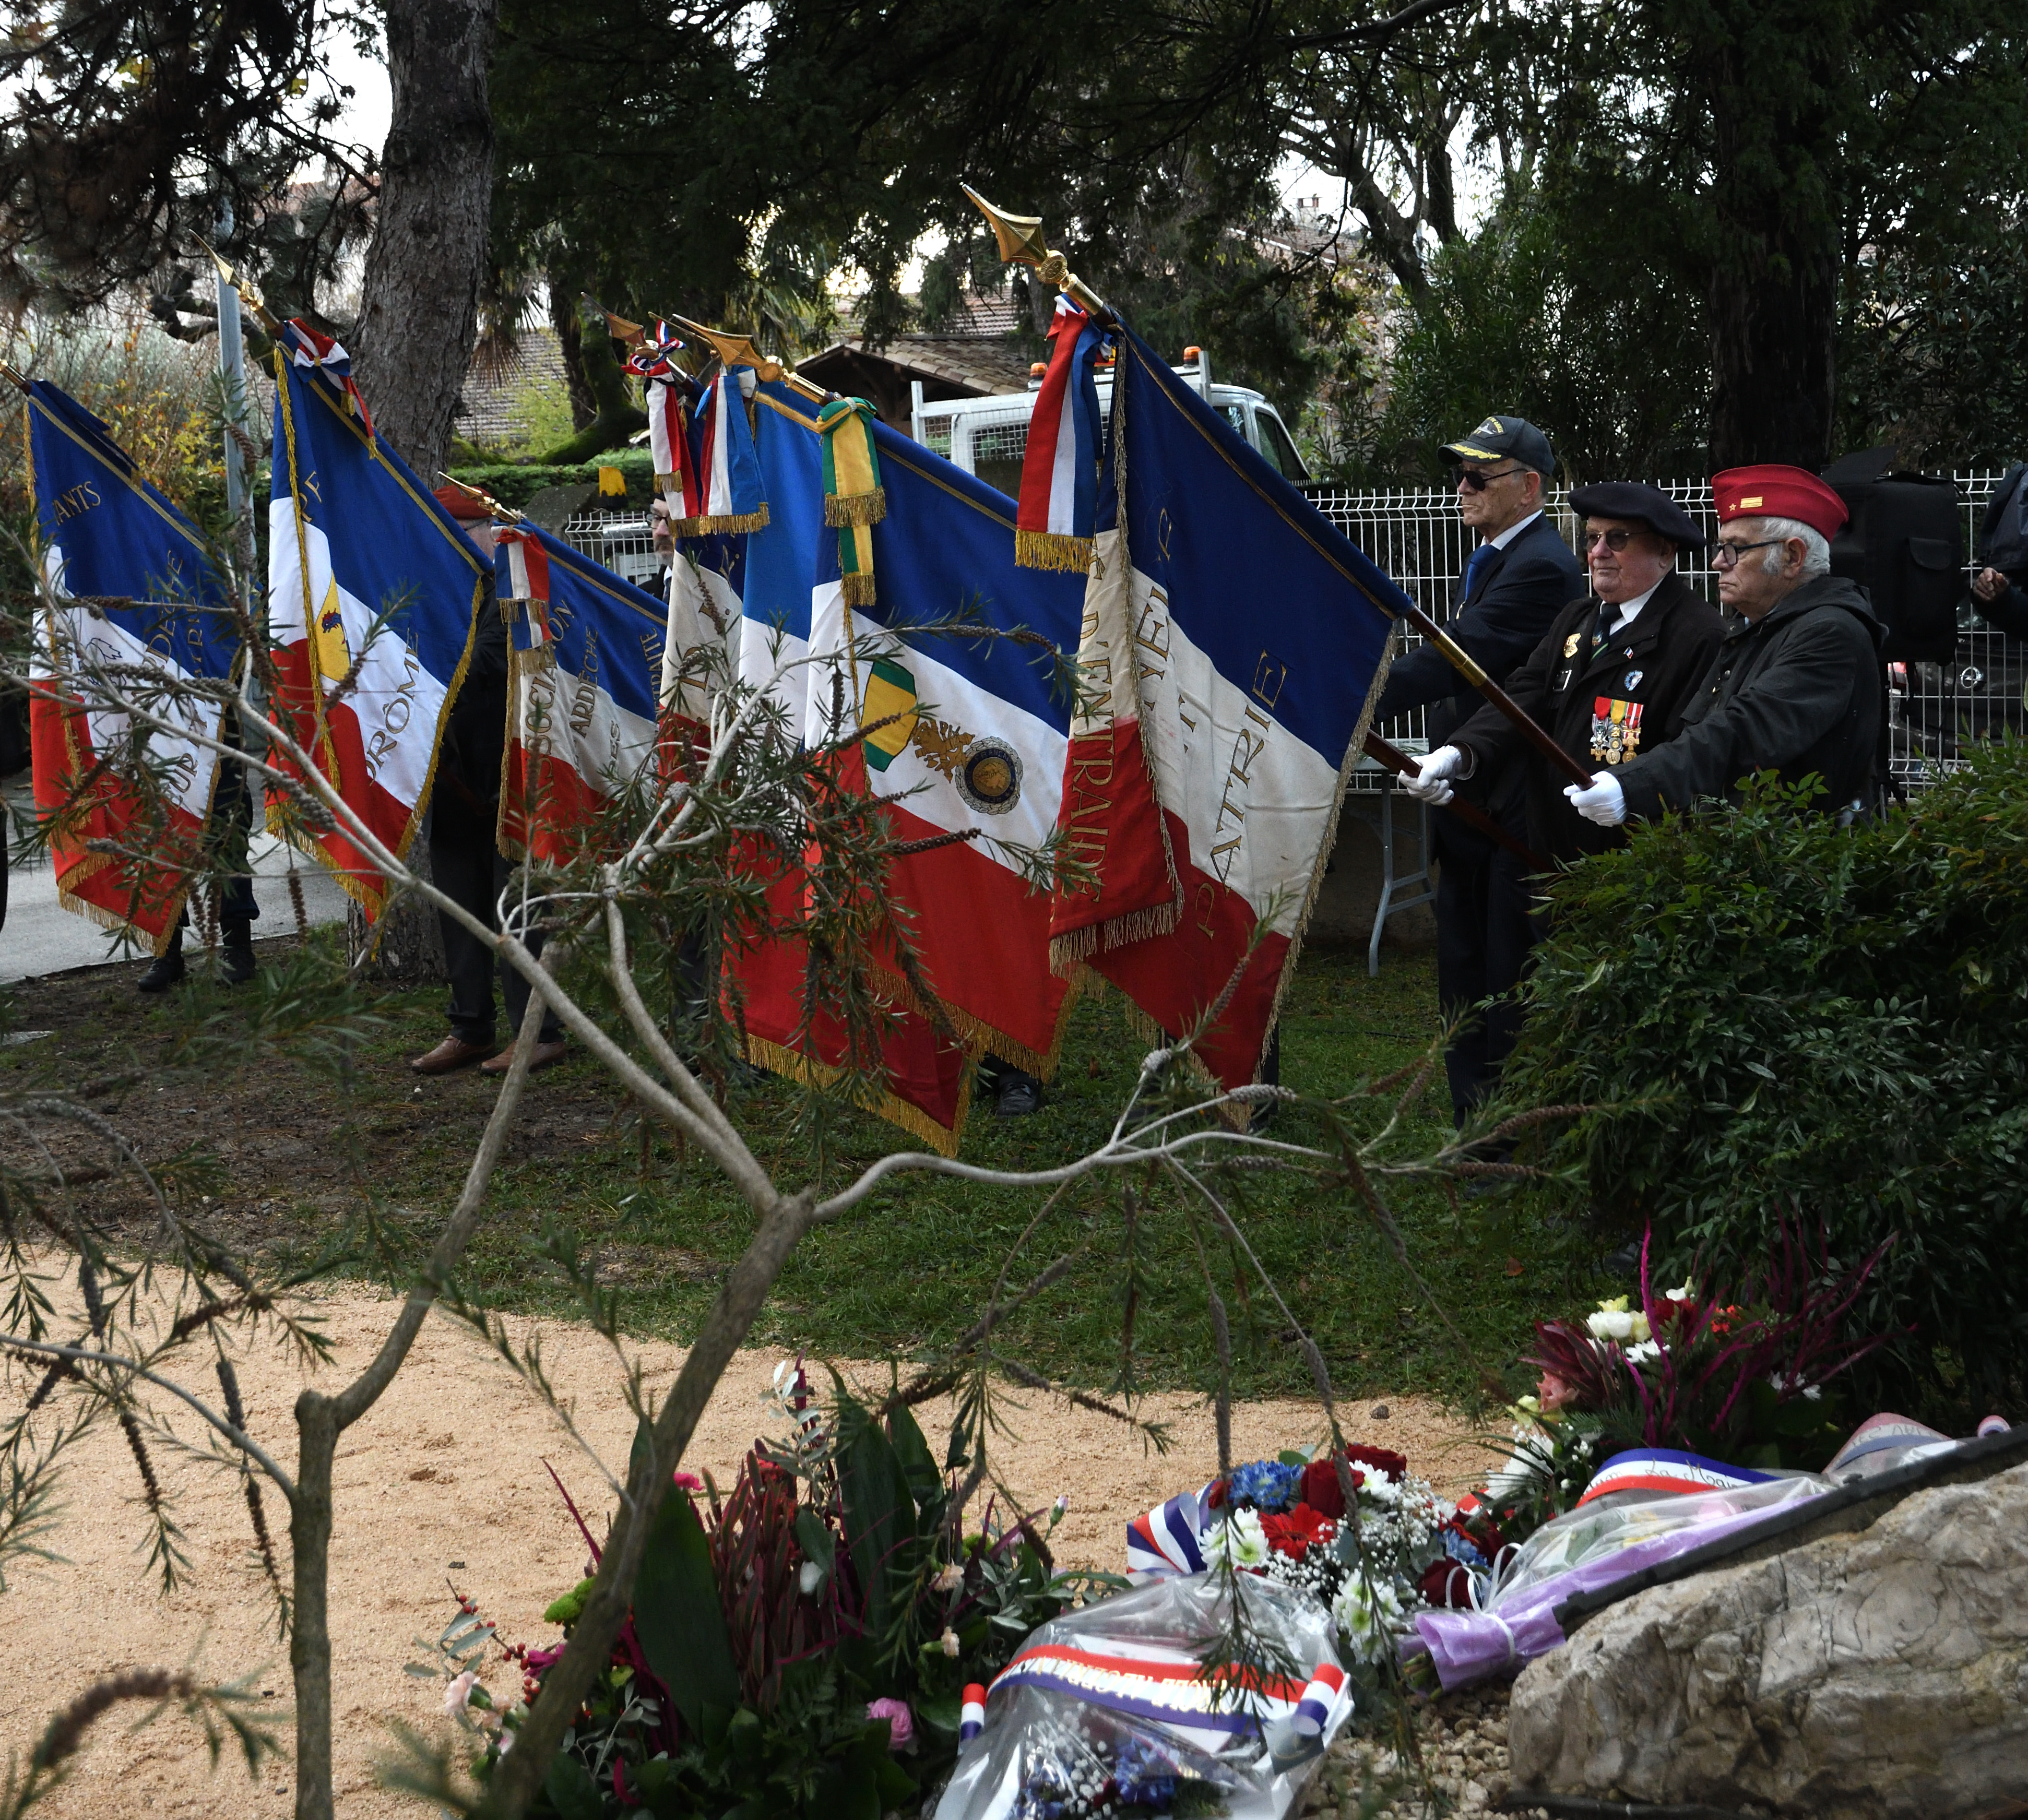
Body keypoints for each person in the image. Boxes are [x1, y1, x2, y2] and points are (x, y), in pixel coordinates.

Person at [1372, 414, 1584, 1126]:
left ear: (1528, 487)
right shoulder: (1501, 557)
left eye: (1477, 477)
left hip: (1508, 805)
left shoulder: (1542, 567)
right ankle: (1475, 1120)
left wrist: (1358, 694)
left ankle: (1504, 1126)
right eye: (1458, 475)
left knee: (1503, 975)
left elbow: (1459, 657)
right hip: (1469, 799)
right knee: (1463, 968)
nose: (1461, 489)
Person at [1408, 484, 1725, 866]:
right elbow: (1523, 698)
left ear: (1664, 550)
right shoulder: (1577, 619)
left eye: (1617, 539)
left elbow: (1691, 750)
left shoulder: (1699, 635)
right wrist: (1458, 753)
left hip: (1633, 864)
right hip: (1545, 848)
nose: (1598, 552)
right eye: (1592, 538)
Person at [1564, 465, 1884, 831]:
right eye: (1720, 548)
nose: (1717, 561)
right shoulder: (1754, 627)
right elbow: (1699, 730)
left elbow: (1744, 729)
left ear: (1792, 557)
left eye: (1735, 549)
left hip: (1797, 869)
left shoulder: (1830, 633)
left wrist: (1632, 784)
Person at [409, 487, 567, 1076]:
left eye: (461, 534)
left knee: (519, 910)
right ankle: (470, 1026)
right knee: (459, 906)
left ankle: (539, 1032)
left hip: (513, 780)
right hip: (453, 776)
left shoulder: (515, 593)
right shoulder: (434, 598)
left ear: (483, 535)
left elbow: (487, 667)